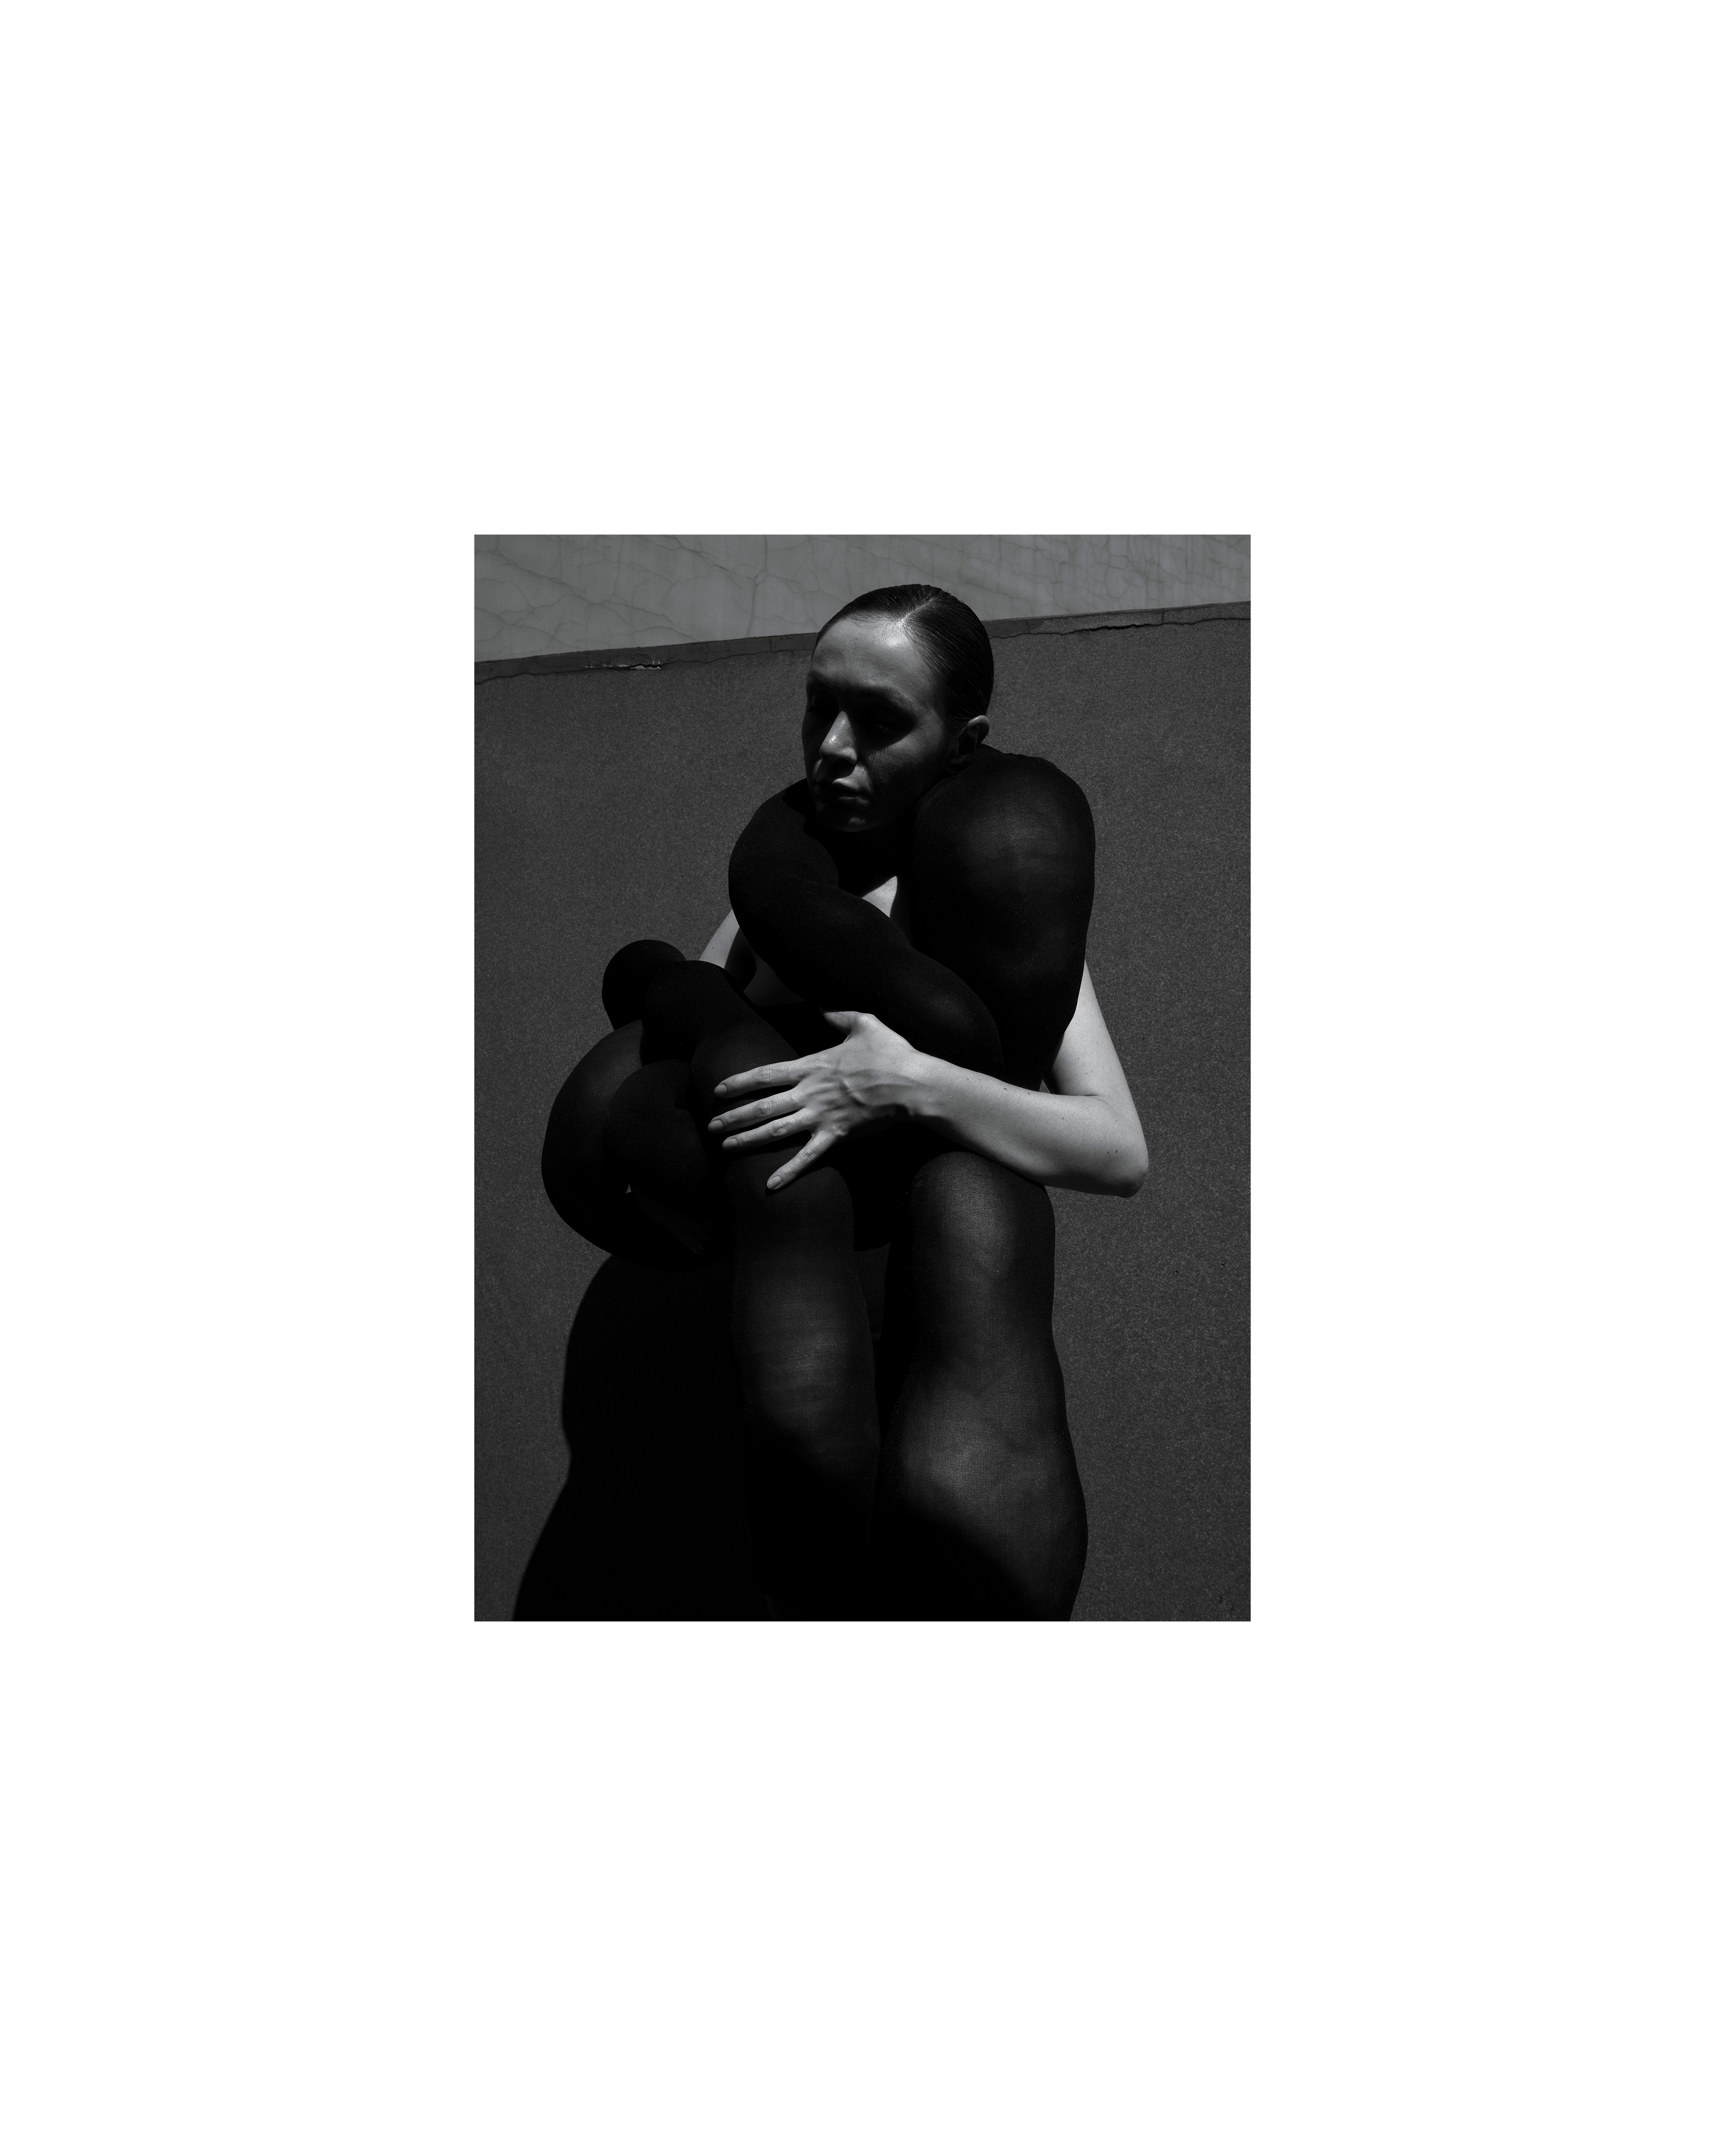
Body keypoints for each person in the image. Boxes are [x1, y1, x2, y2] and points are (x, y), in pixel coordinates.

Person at [541, 585, 1148, 1619]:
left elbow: (1117, 1149)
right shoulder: (775, 904)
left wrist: (911, 1083)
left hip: (958, 1323)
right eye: (819, 704)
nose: (831, 745)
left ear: (961, 742)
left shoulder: (1005, 913)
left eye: (878, 719)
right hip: (803, 1349)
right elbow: (690, 1068)